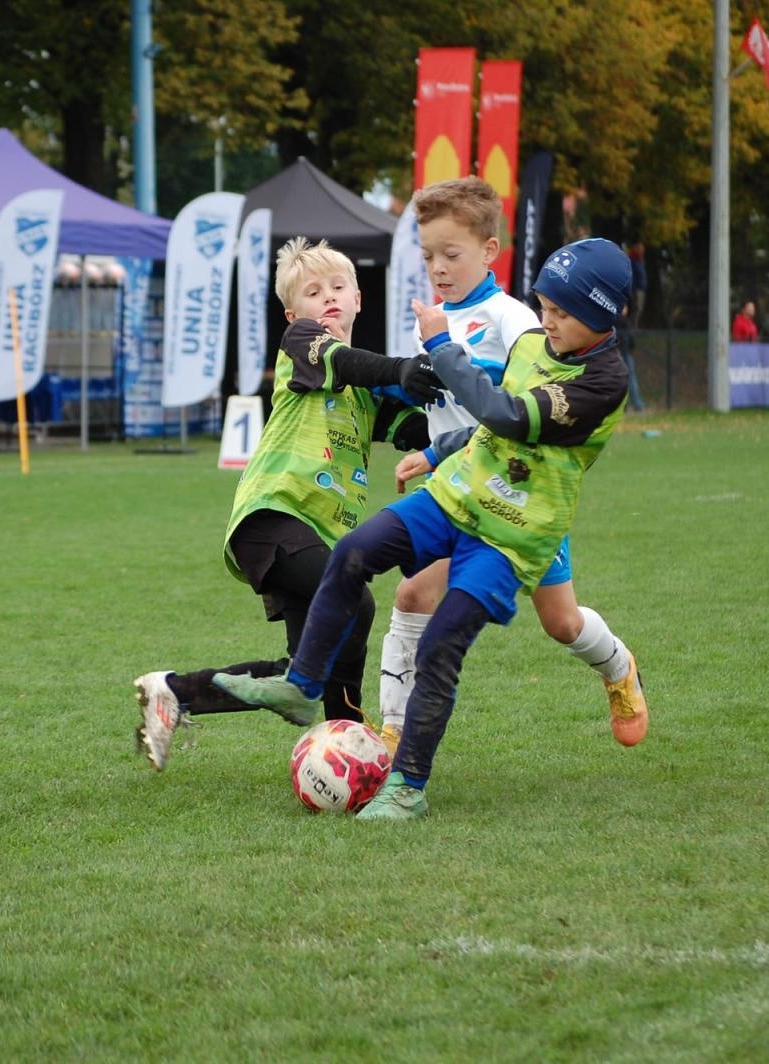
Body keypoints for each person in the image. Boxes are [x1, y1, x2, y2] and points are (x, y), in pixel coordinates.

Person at [215, 238, 638, 820]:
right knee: (356, 553)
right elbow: (488, 429)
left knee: (448, 644)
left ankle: (408, 786)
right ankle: (302, 685)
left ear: (602, 315)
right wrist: (439, 453)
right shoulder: (537, 343)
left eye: (563, 313)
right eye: (545, 306)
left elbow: (508, 416)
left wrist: (440, 346)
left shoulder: (603, 381)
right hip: (456, 494)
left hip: (513, 530)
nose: (548, 321)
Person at [132, 237, 440, 771]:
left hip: (313, 537)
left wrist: (457, 416)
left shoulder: (364, 393)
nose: (329, 299)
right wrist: (400, 370)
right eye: (314, 292)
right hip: (272, 517)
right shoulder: (302, 343)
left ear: (360, 297)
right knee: (356, 601)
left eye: (339, 287)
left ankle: (176, 692)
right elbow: (349, 362)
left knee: (302, 670)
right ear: (294, 311)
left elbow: (415, 427)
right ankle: (350, 732)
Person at [374, 179, 648, 758]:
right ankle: (391, 733)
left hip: (528, 499)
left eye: (451, 255)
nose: (438, 269)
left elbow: (515, 415)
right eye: (428, 257)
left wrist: (436, 448)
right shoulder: (431, 317)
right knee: (411, 596)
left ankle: (620, 667)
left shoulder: (517, 320)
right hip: (461, 491)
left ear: (489, 251)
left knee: (562, 623)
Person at [617, 241, 647, 412]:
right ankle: (629, 404)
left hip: (623, 338)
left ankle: (633, 403)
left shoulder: (625, 285)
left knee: (628, 372)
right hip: (620, 338)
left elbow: (627, 309)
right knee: (625, 373)